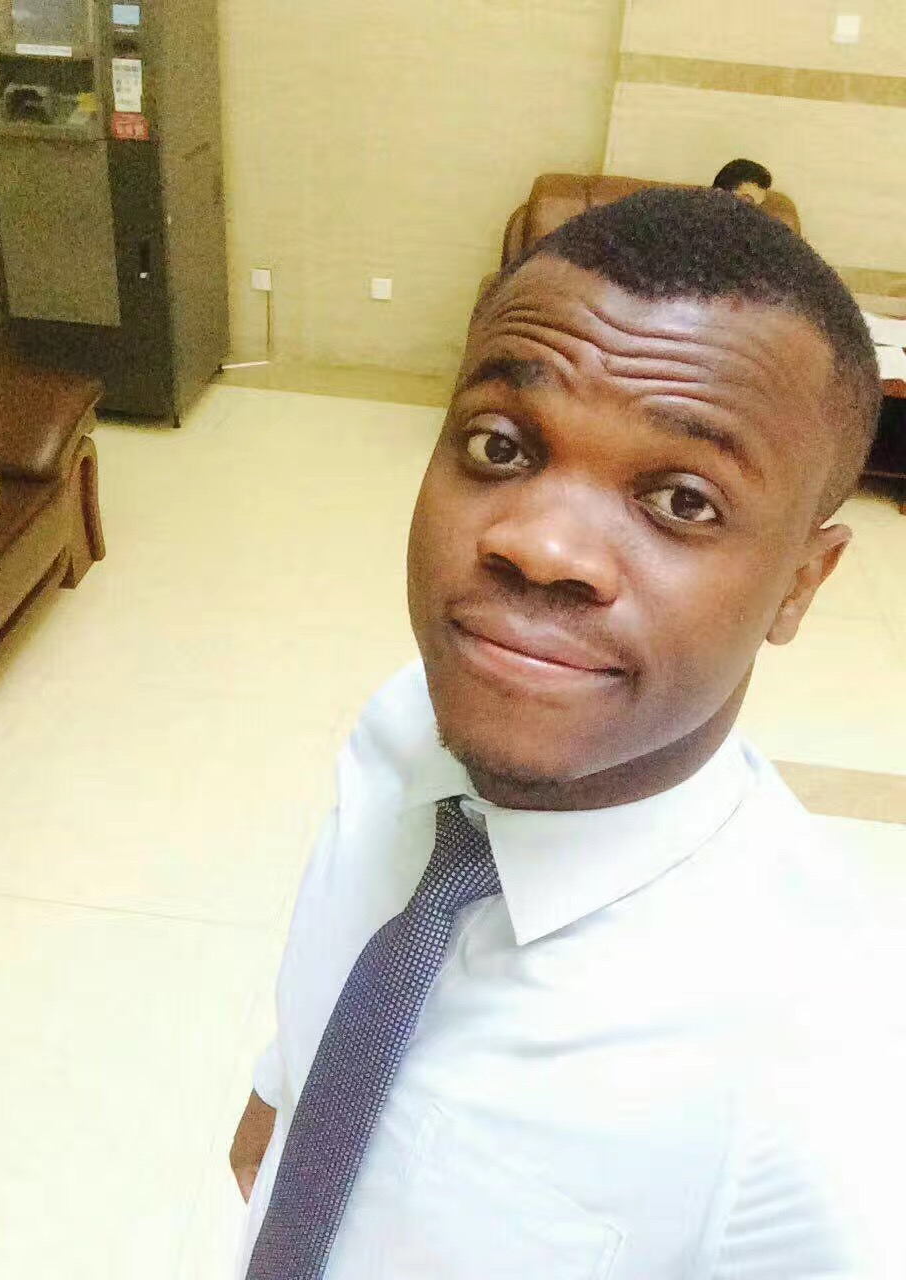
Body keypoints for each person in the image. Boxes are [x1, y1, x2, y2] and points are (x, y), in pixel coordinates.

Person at [231, 187, 904, 1279]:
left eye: (683, 501)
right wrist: (284, 1091)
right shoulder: (405, 723)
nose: (541, 545)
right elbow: (352, 958)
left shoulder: (814, 1093)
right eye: (500, 444)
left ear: (799, 584)